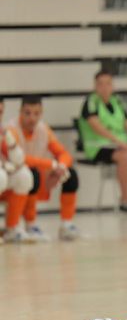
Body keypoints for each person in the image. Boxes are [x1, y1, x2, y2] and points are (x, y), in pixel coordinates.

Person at [78, 67, 127, 214]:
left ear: (112, 86)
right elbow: (96, 126)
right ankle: (124, 201)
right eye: (100, 84)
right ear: (95, 86)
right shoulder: (91, 102)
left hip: (121, 145)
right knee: (125, 155)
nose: (104, 87)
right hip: (99, 147)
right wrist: (117, 141)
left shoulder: (118, 102)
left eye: (108, 83)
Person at [8, 95, 80, 241]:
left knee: (70, 174)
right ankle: (30, 225)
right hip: (12, 178)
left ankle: (67, 224)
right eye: (27, 113)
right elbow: (21, 159)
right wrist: (50, 164)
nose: (32, 118)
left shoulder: (43, 130)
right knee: (30, 173)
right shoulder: (11, 129)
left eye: (36, 114)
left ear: (41, 114)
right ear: (20, 112)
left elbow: (64, 153)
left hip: (36, 175)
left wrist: (60, 166)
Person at [0, 97, 34, 243]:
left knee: (24, 176)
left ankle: (12, 228)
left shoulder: (5, 131)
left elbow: (19, 160)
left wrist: (9, 140)